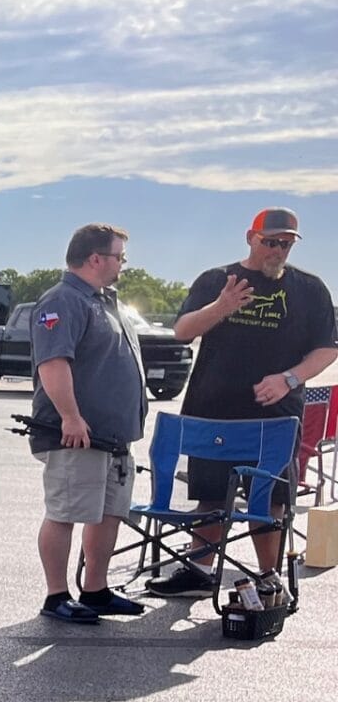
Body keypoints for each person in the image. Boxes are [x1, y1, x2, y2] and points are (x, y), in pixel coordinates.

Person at [148, 207, 337, 599]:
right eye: (271, 242)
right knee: (211, 493)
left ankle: (268, 576)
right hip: (213, 410)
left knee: (270, 498)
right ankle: (199, 570)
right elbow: (183, 331)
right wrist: (222, 307)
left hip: (276, 418)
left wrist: (289, 379)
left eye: (286, 244)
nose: (278, 250)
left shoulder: (310, 289)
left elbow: (326, 349)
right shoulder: (218, 279)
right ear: (251, 237)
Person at [28, 224, 147, 623]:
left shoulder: (104, 301)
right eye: (120, 257)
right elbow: (53, 363)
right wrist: (71, 417)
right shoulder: (62, 300)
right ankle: (56, 595)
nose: (123, 265)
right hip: (76, 435)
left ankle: (95, 590)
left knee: (108, 513)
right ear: (96, 258)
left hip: (113, 438)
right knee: (65, 511)